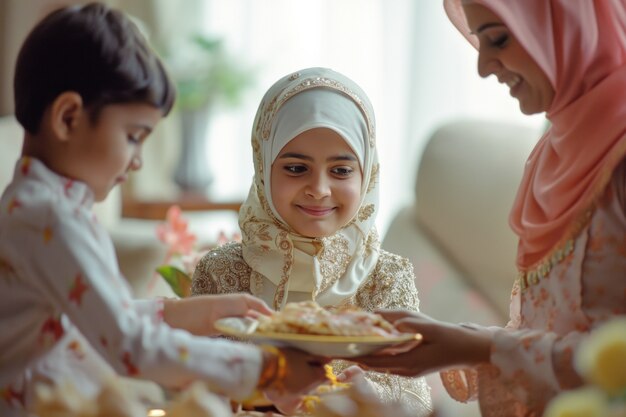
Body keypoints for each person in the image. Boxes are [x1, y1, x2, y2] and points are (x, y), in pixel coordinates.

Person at [0, 4, 327, 416]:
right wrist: (265, 367)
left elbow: (91, 318)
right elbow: (128, 345)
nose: (137, 161)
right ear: (68, 118)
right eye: (133, 136)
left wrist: (191, 312)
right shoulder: (50, 218)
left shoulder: (34, 207)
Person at [354, 1, 626, 416]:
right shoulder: (553, 153)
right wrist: (459, 339)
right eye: (479, 42)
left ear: (569, 23)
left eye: (498, 38)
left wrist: (474, 345)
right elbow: (553, 330)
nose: (483, 67)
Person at [192, 66, 433, 414]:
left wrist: (366, 394)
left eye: (341, 170)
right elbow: (190, 385)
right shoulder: (221, 272)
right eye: (295, 168)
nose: (319, 190)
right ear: (263, 167)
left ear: (367, 174)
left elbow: (413, 399)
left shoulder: (387, 277)